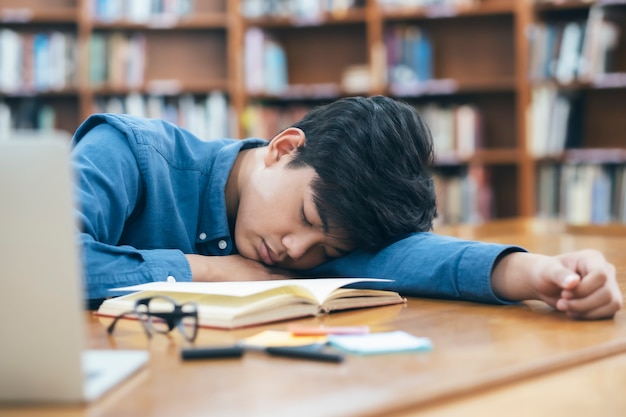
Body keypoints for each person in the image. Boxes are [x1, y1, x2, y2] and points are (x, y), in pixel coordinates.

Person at [71, 95, 622, 320]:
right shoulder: (127, 151)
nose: (295, 251)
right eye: (309, 219)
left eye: (326, 250)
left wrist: (541, 273)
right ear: (284, 149)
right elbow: (33, 263)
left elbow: (407, 257)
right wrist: (208, 271)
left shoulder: (306, 248)